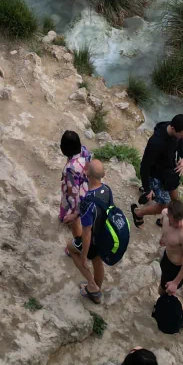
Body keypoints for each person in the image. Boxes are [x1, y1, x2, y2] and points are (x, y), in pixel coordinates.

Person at [132, 116, 183, 227]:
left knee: (174, 200)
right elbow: (144, 166)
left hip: (169, 173)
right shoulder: (155, 143)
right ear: (173, 128)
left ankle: (166, 219)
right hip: (156, 175)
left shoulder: (176, 131)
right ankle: (138, 213)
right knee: (165, 205)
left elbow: (180, 143)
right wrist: (147, 189)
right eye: (182, 135)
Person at [68, 157, 110, 303]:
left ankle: (92, 286)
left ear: (87, 174)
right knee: (98, 262)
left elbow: (86, 233)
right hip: (104, 236)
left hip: (93, 240)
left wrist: (84, 256)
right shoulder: (107, 190)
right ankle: (96, 291)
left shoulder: (88, 201)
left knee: (71, 248)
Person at [159, 199, 183, 327]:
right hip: (167, 259)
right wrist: (163, 238)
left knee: (166, 293)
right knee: (161, 291)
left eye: (181, 220)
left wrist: (175, 283)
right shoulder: (164, 214)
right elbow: (166, 230)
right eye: (175, 221)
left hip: (177, 268)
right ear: (169, 215)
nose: (179, 224)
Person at [59, 129, 91, 253]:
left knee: (74, 221)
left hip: (77, 195)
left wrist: (75, 212)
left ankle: (78, 245)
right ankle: (64, 216)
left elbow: (73, 191)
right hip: (86, 185)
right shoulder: (84, 151)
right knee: (66, 209)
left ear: (64, 149)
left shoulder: (70, 169)